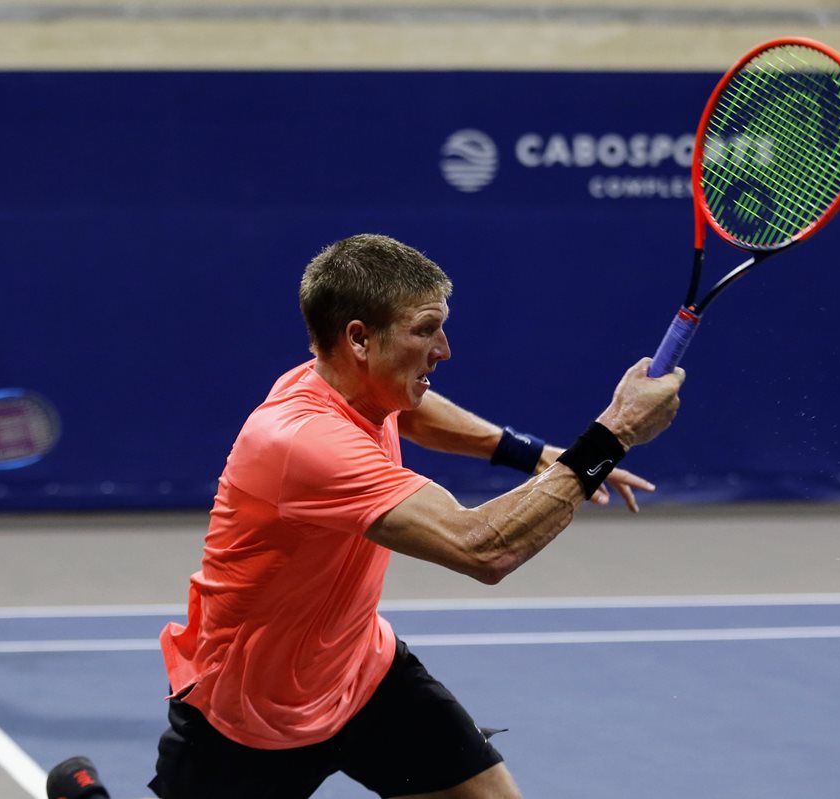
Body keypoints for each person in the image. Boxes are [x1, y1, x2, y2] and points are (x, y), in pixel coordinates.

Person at [149, 234, 684, 798]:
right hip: (249, 718)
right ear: (359, 338)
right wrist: (613, 435)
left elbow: (411, 411)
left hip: (360, 672)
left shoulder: (354, 387)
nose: (444, 349)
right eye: (426, 329)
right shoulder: (302, 442)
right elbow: (483, 547)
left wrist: (537, 456)